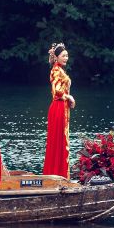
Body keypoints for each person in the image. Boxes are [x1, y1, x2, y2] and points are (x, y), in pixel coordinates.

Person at [43, 42, 76, 178]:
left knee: (61, 141)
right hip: (58, 108)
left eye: (67, 55)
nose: (66, 58)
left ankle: (60, 174)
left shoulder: (60, 70)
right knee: (59, 141)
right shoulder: (56, 70)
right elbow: (57, 91)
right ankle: (57, 174)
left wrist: (68, 100)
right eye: (63, 55)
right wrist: (70, 97)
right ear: (56, 57)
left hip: (62, 108)